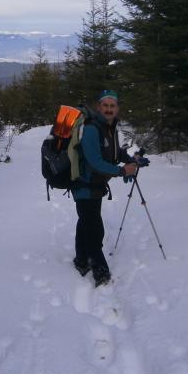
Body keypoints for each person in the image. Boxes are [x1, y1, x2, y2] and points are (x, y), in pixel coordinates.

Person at [72, 89, 138, 287]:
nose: (109, 109)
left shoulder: (110, 128)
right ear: (99, 106)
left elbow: (114, 153)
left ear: (117, 108)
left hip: (96, 186)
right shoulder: (92, 129)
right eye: (105, 105)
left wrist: (131, 160)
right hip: (84, 185)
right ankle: (100, 270)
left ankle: (81, 260)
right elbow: (95, 161)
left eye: (113, 106)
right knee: (94, 229)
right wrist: (121, 171)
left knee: (86, 221)